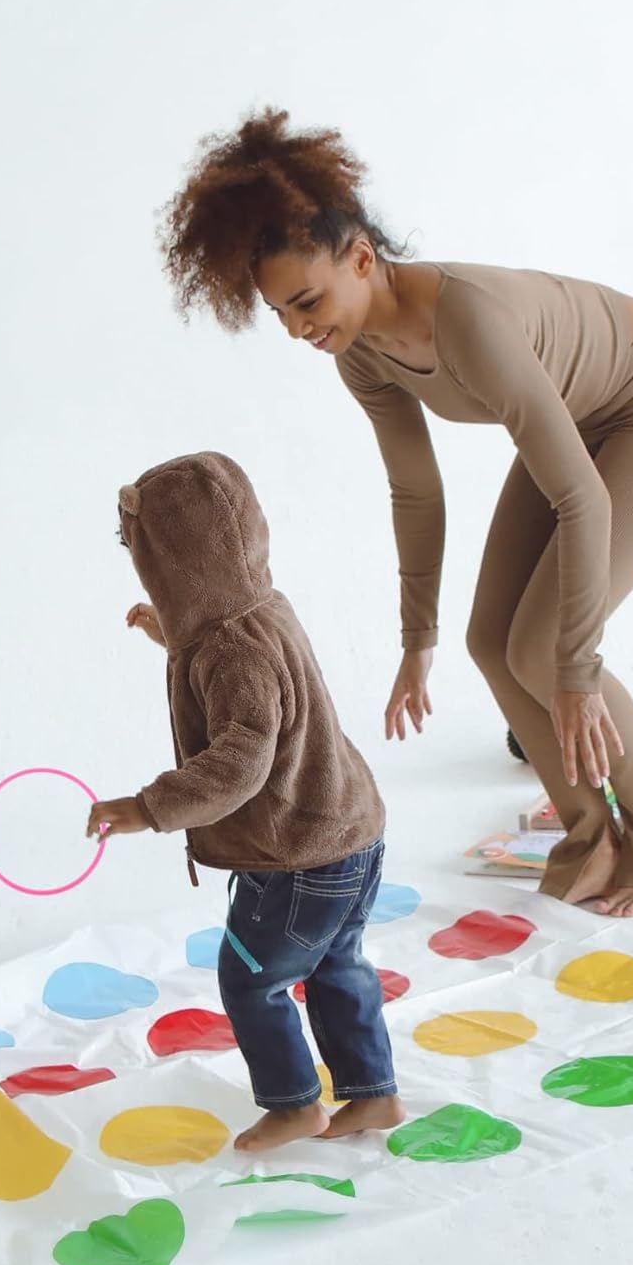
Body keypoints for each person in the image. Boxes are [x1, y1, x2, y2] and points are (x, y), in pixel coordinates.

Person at [155, 107, 633, 918]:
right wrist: (416, 640)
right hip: (578, 418)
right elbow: (415, 490)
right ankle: (594, 833)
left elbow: (582, 499)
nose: (297, 328)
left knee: (544, 648)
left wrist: (577, 671)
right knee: (492, 642)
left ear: (361, 258)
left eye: (307, 301)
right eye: (281, 313)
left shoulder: (469, 320)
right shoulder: (358, 351)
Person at [87, 451, 405, 1151]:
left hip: (298, 856)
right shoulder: (264, 611)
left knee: (252, 979)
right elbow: (245, 669)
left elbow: (240, 763)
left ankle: (294, 1105)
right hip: (352, 833)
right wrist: (170, 633)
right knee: (338, 966)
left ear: (170, 561)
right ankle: (373, 1092)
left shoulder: (229, 652)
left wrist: (148, 808)